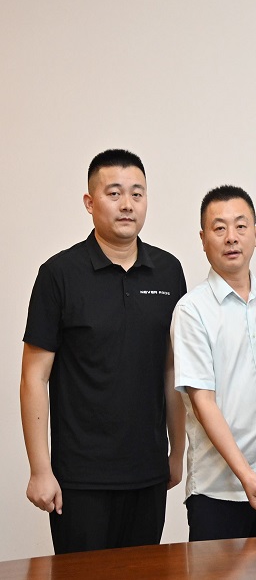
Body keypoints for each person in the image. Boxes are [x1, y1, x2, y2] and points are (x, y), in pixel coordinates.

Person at [20, 149, 187, 554]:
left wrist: (177, 453)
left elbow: (172, 370)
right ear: (90, 202)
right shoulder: (59, 274)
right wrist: (40, 470)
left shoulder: (168, 272)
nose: (127, 204)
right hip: (80, 479)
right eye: (114, 193)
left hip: (148, 472)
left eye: (137, 193)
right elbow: (34, 377)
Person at [171, 185, 256, 541]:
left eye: (240, 226)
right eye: (219, 228)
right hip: (219, 491)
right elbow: (202, 402)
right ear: (203, 239)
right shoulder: (192, 310)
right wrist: (247, 475)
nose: (231, 238)